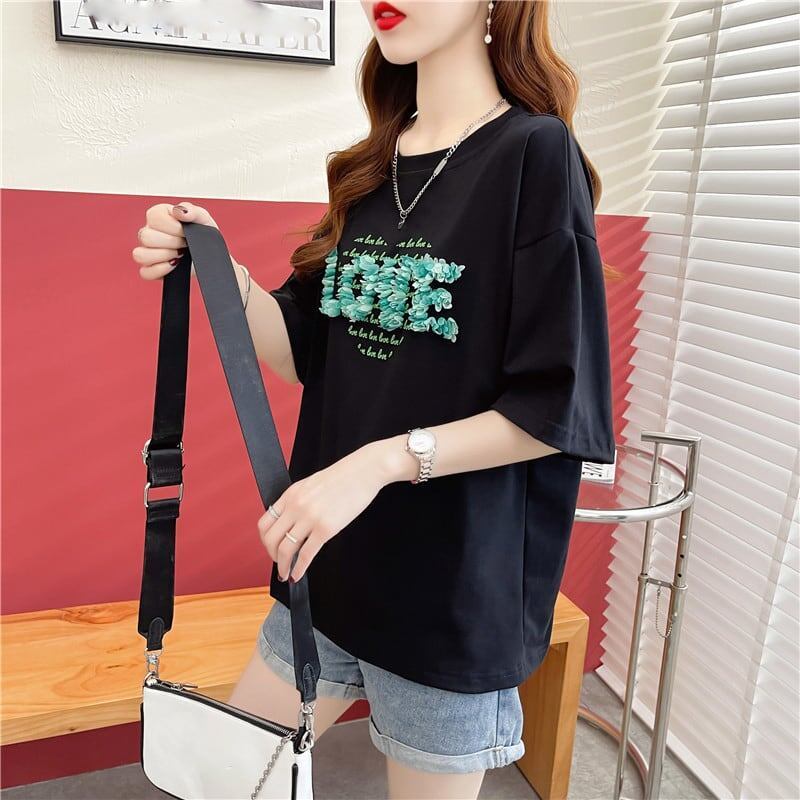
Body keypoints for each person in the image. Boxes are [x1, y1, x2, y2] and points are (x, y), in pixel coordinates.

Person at [133, 1, 616, 797]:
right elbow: (302, 352)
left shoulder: (534, 154)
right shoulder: (373, 165)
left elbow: (555, 406)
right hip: (329, 572)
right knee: (225, 783)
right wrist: (217, 269)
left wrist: (378, 464)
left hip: (449, 597)